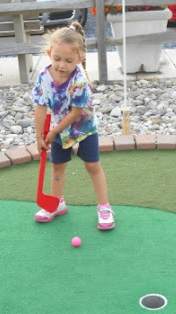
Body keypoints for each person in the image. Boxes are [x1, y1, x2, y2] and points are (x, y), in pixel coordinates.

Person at [32, 21, 115, 230]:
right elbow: (40, 106)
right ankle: (57, 203)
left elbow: (76, 112)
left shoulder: (79, 80)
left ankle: (104, 207)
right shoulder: (44, 76)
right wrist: (39, 136)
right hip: (58, 129)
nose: (62, 65)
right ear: (49, 53)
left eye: (69, 60)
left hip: (83, 128)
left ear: (79, 58)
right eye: (57, 58)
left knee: (92, 166)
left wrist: (53, 131)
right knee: (58, 166)